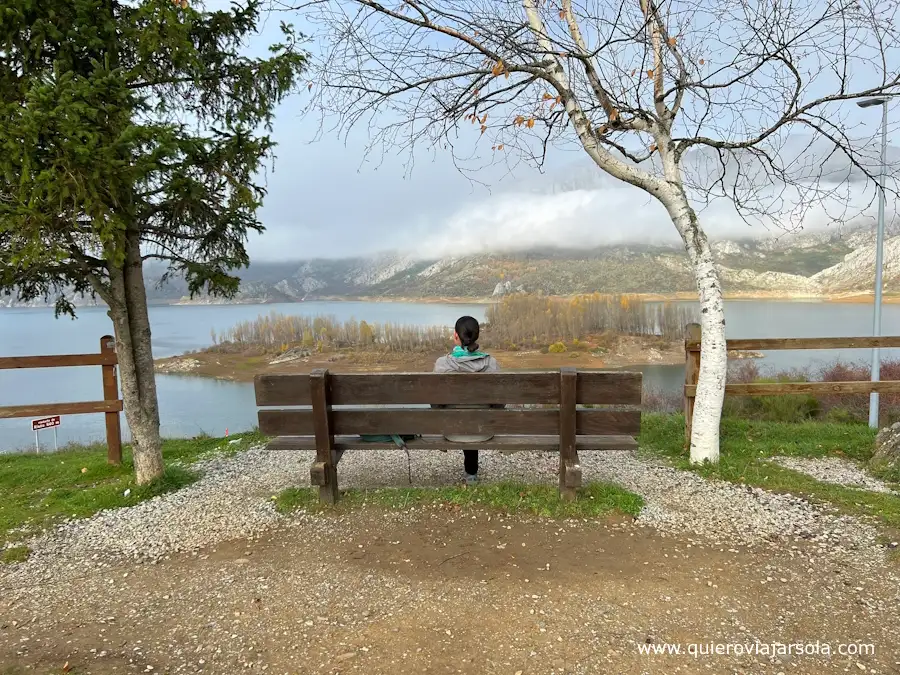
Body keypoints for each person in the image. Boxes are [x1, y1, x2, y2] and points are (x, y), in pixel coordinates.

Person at [433, 315, 501, 485]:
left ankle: (471, 474)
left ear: (456, 336)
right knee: (475, 414)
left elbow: (435, 403)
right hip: (484, 430)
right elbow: (500, 403)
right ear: (477, 336)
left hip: (451, 431)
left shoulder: (442, 365)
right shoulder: (491, 364)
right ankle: (471, 475)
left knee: (458, 414)